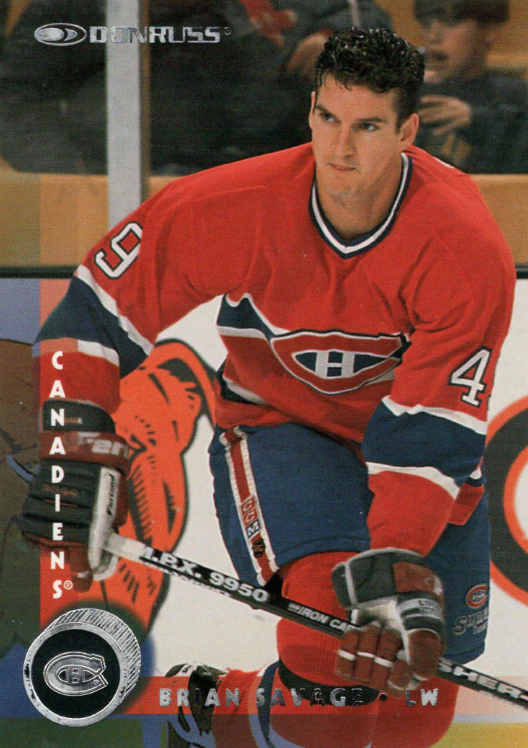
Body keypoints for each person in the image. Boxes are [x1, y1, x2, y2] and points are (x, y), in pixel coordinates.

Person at [20, 27, 515, 748]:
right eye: (328, 118)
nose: (340, 148)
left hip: (413, 458)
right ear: (310, 110)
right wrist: (75, 442)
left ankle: (213, 706)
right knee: (335, 666)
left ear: (409, 132)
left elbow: (432, 425)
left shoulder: (463, 243)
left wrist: (396, 551)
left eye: (368, 127)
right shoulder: (233, 204)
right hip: (283, 428)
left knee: (415, 710)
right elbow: (94, 310)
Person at [0, 0, 392, 175]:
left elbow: (363, 15)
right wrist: (70, 174)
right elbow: (17, 92)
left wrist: (338, 38)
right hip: (134, 187)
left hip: (270, 181)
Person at [414, 0, 528, 173]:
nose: (433, 37)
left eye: (450, 22)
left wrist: (478, 120)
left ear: (489, 31)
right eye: (426, 24)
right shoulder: (407, 91)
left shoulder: (514, 95)